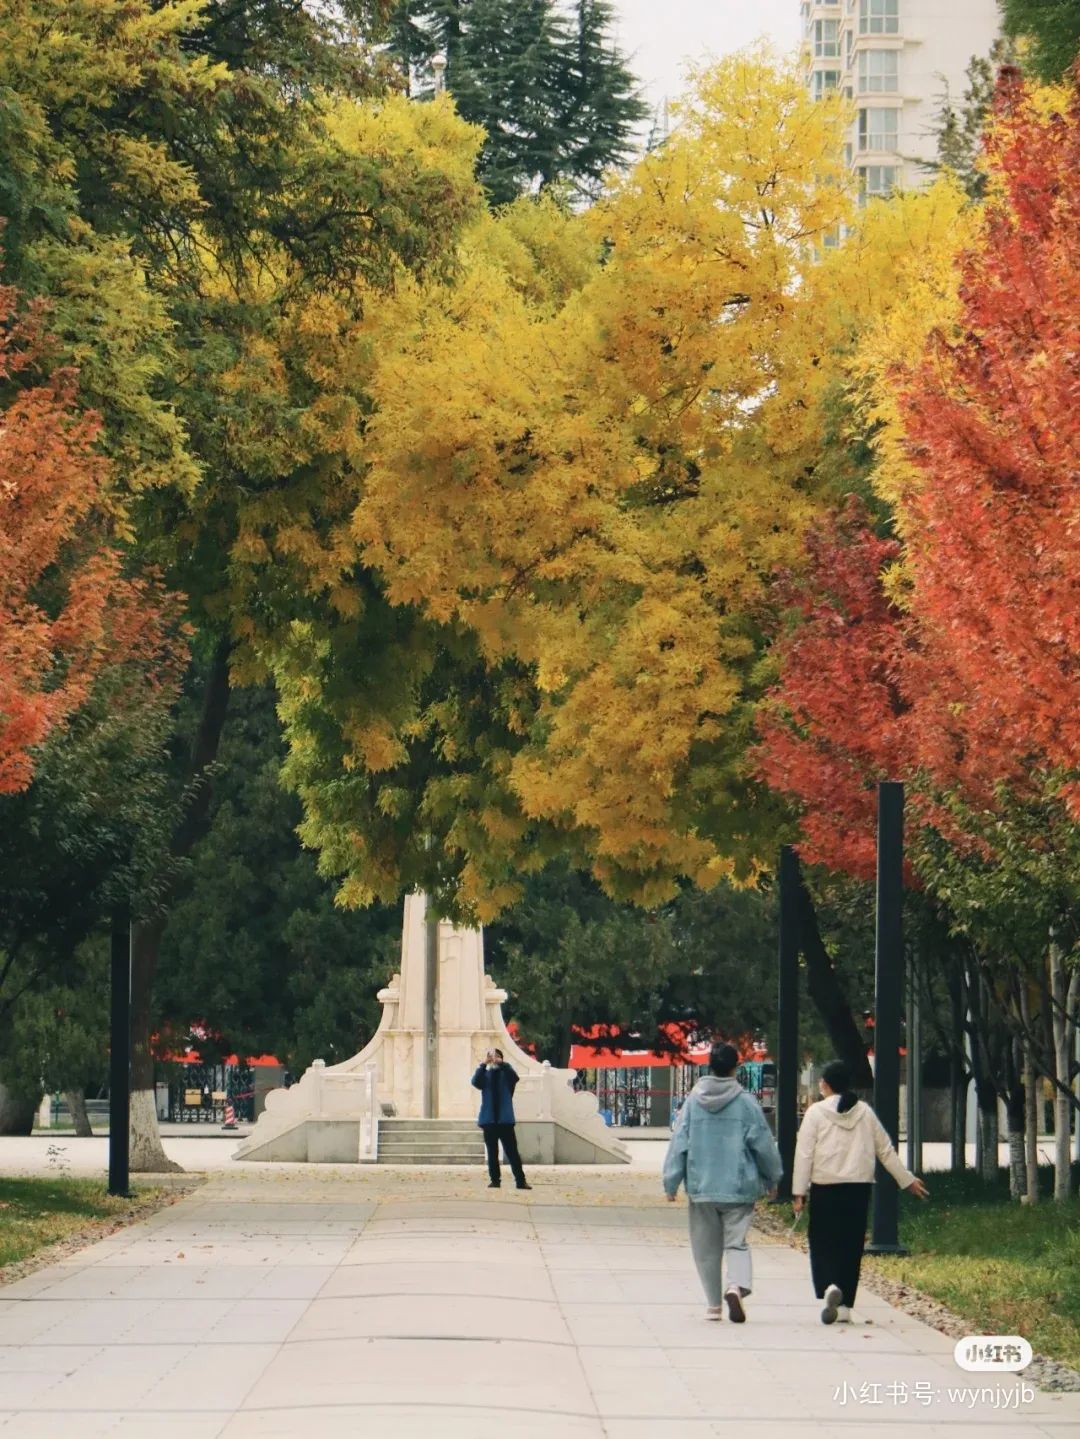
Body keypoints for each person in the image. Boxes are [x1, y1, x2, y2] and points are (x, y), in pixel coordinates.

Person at [792, 1058, 930, 1324]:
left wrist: (799, 1192)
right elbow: (885, 1150)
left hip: (824, 1187)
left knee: (822, 1242)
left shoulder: (816, 1113)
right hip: (858, 1188)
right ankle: (845, 1307)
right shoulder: (864, 1112)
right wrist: (907, 1180)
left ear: (826, 1084)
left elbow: (804, 1154)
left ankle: (828, 1286)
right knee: (850, 1244)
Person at [663, 1042, 783, 1323]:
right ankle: (735, 1286)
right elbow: (764, 1145)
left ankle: (714, 1305)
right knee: (737, 1243)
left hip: (702, 1185)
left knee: (705, 1248)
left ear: (710, 1066)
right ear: (735, 1068)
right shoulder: (746, 1103)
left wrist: (671, 1182)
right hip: (738, 1187)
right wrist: (772, 1177)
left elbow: (679, 1141)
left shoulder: (693, 1102)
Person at [472, 1048, 531, 1191]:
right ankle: (495, 1180)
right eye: (492, 1056)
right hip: (489, 1121)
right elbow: (475, 1082)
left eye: (497, 1056)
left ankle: (520, 1181)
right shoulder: (485, 1075)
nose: (494, 1058)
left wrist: (503, 1064)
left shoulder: (506, 1075)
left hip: (505, 1121)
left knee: (512, 1153)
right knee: (492, 1153)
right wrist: (483, 1065)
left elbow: (515, 1077)